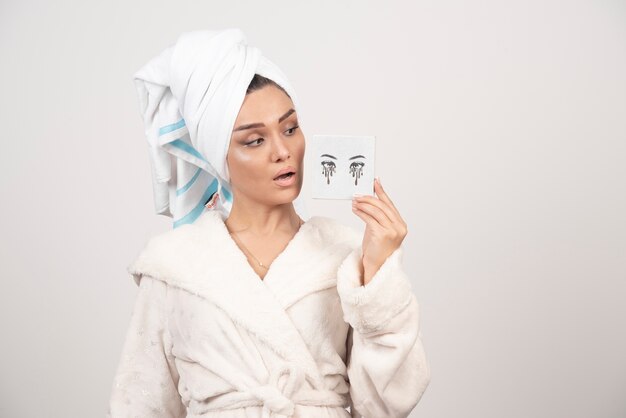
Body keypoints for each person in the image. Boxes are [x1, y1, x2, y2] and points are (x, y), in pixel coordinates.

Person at [108, 29, 430, 418]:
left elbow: (384, 405)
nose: (282, 151)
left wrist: (379, 272)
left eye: (290, 129)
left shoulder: (346, 253)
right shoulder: (174, 265)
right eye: (254, 141)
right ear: (218, 155)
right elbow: (140, 404)